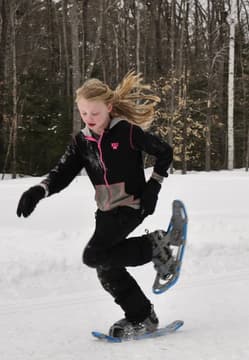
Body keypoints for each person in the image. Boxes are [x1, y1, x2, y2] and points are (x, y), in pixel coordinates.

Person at [16, 72, 175, 338]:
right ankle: (142, 316)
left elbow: (164, 151)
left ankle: (154, 246)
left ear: (109, 108)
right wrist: (39, 190)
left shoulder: (126, 132)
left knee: (93, 256)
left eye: (95, 113)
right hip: (106, 211)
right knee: (106, 269)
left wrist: (154, 187)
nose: (89, 119)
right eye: (84, 113)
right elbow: (63, 172)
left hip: (133, 205)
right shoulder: (82, 141)